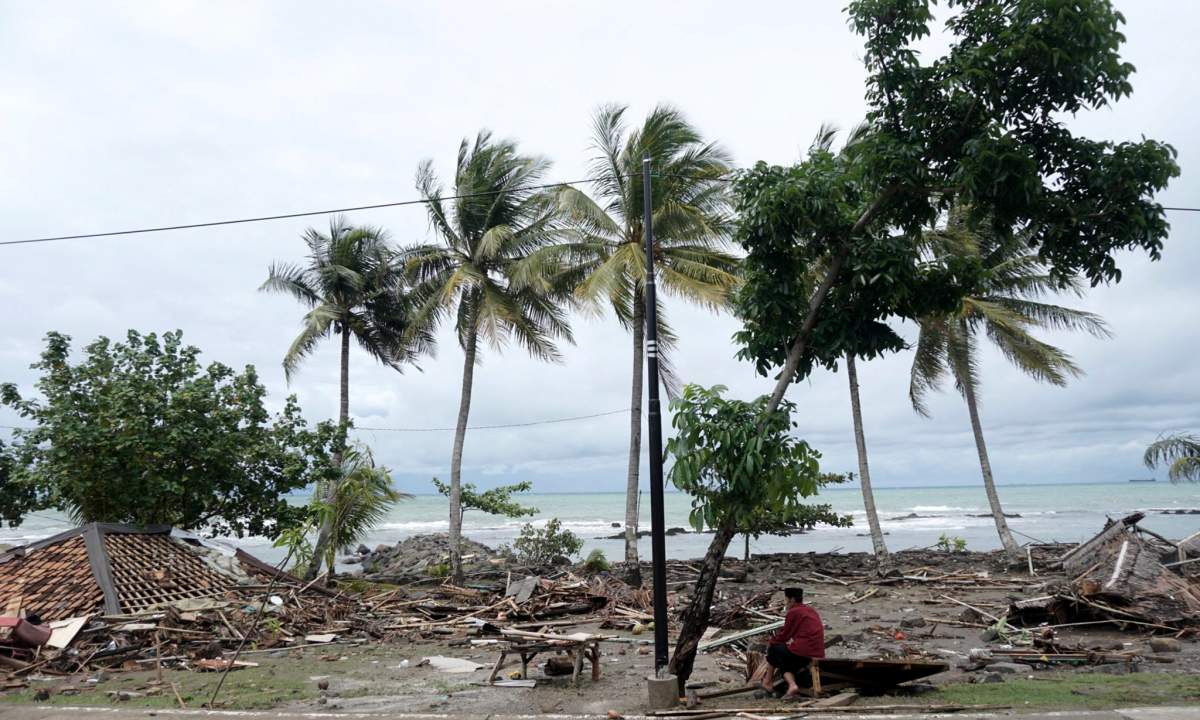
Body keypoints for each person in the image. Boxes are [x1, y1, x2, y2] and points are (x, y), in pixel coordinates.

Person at [762, 587, 824, 698]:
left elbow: (785, 635)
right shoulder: (810, 610)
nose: (785, 602)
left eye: (786, 600)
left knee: (774, 648)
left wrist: (771, 642)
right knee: (782, 655)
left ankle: (771, 682)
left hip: (803, 653)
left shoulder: (794, 612)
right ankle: (774, 683)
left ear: (791, 600)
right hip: (817, 652)